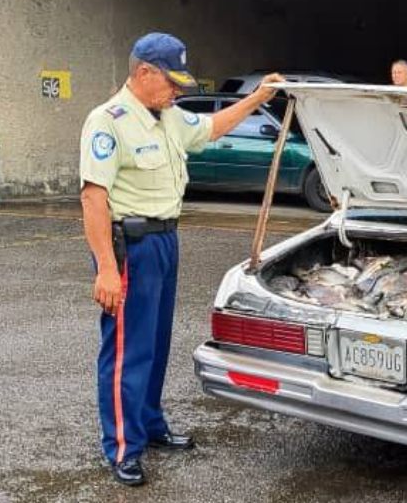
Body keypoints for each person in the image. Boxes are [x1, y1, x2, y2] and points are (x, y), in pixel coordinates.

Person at [79, 32, 283, 486]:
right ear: (144, 72)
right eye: (171, 82)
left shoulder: (167, 116)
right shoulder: (108, 121)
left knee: (155, 343)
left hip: (166, 241)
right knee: (128, 349)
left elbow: (212, 128)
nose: (177, 92)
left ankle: (149, 424)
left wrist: (257, 99)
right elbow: (94, 199)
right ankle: (121, 446)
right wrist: (107, 269)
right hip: (130, 248)